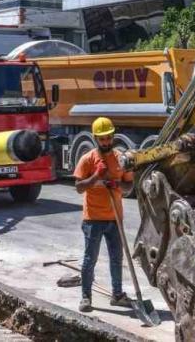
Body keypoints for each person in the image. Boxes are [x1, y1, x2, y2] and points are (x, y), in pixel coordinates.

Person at [73, 117, 134, 312]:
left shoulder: (120, 159)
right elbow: (79, 188)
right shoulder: (87, 159)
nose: (106, 142)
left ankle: (117, 294)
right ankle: (86, 297)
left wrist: (117, 184)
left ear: (113, 136)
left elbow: (129, 185)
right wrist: (96, 176)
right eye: (102, 139)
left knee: (117, 259)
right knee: (90, 259)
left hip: (115, 218)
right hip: (92, 219)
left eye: (108, 138)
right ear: (95, 138)